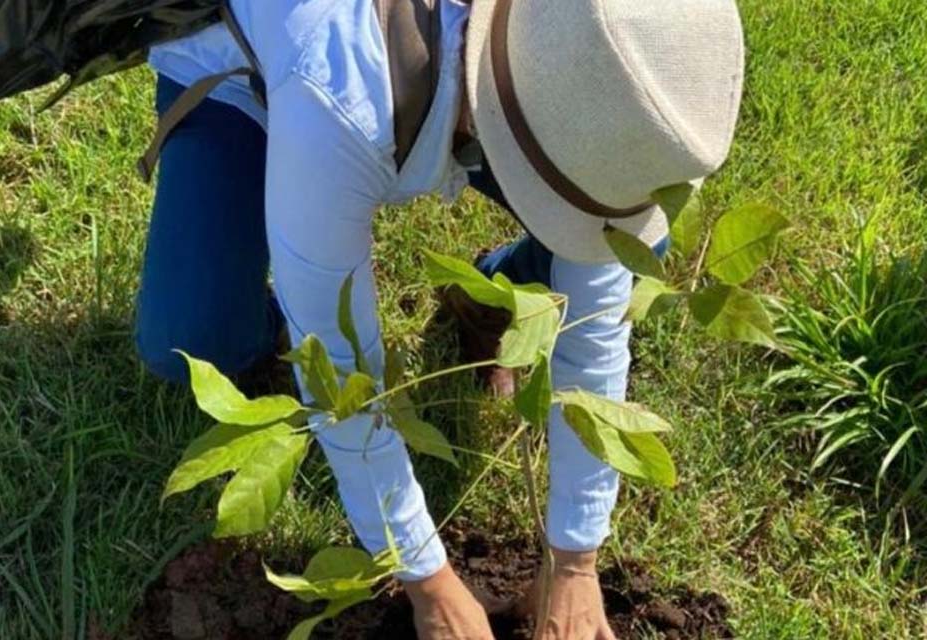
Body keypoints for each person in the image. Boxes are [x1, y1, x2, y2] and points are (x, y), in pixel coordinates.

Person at [137, 1, 745, 638]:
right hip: (244, 78)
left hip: (469, 94)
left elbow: (593, 333)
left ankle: (497, 295)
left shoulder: (593, 64)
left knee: (630, 244)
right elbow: (341, 375)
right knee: (190, 336)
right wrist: (428, 582)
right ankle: (273, 307)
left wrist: (575, 560)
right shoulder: (335, 85)